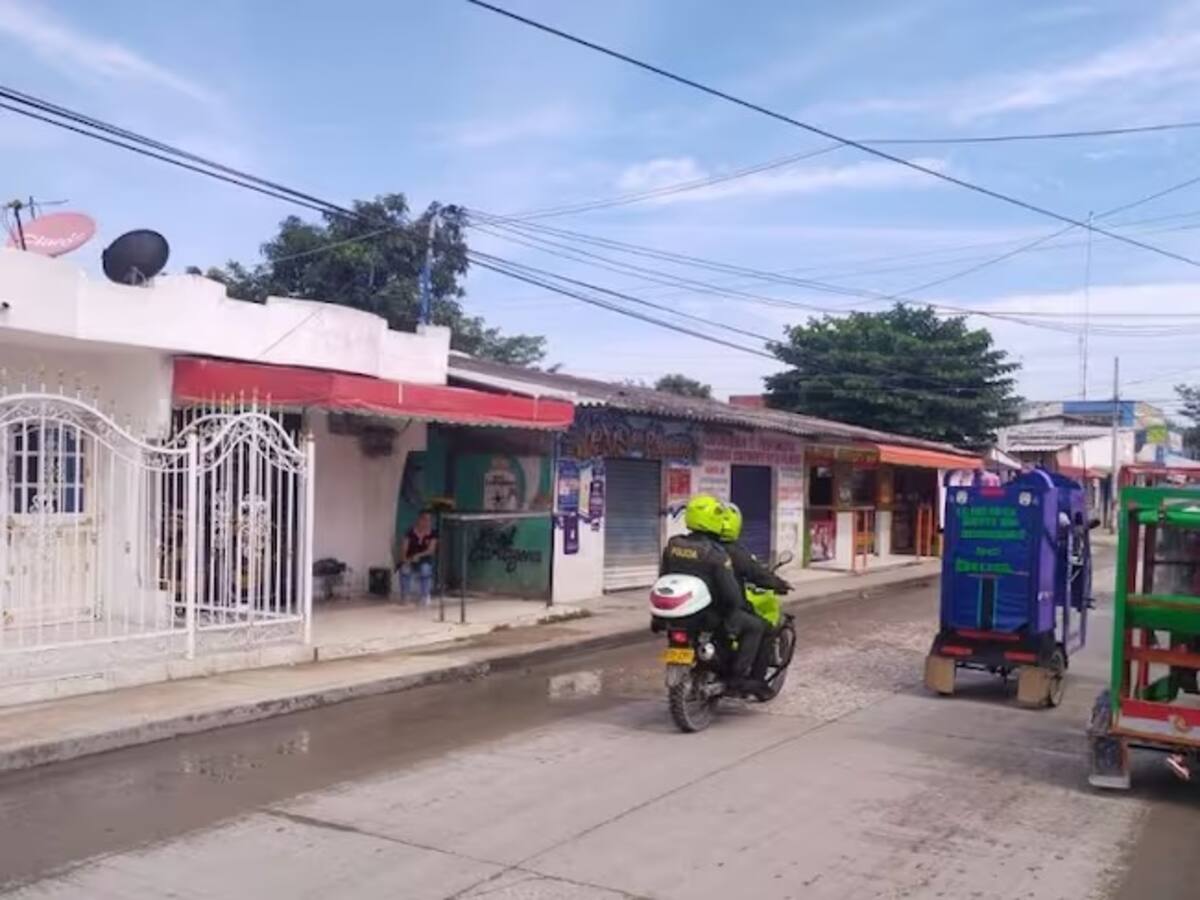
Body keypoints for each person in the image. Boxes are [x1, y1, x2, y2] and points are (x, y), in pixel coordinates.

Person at [660, 494, 765, 692]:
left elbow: (664, 576)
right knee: (755, 626)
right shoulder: (715, 553)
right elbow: (731, 595)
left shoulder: (673, 545)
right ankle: (736, 678)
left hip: (682, 615)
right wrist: (735, 609)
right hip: (709, 615)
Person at [719, 503, 792, 596]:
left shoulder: (698, 544)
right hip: (726, 602)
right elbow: (756, 573)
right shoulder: (734, 552)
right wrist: (780, 584)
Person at [398, 510, 438, 605]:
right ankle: (405, 596)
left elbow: (431, 550)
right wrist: (406, 559)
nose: (426, 522)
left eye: (429, 520)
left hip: (424, 560)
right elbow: (404, 549)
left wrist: (419, 555)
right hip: (410, 558)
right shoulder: (410, 532)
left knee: (425, 569)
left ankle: (425, 596)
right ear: (419, 520)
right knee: (404, 569)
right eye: (424, 519)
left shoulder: (433, 533)